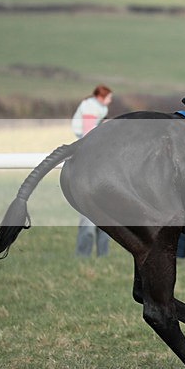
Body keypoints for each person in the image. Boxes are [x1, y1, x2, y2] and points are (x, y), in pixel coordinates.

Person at [71, 85, 113, 257]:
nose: (111, 100)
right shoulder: (90, 107)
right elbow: (88, 131)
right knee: (89, 222)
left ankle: (101, 256)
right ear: (102, 96)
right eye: (109, 96)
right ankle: (84, 256)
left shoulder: (99, 107)